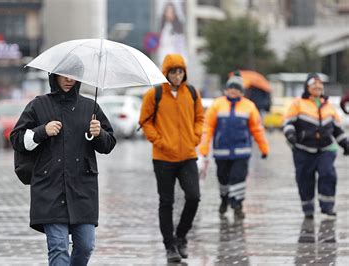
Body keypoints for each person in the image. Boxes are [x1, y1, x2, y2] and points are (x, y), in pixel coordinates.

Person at [10, 73, 116, 265]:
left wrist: (99, 133)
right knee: (59, 247)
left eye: (73, 76)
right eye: (64, 75)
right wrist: (42, 131)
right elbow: (16, 139)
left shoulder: (90, 107)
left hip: (83, 189)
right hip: (49, 188)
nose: (69, 80)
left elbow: (108, 145)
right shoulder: (38, 105)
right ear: (54, 77)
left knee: (85, 246)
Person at [139, 53, 204, 263]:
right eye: (173, 71)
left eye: (180, 71)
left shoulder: (192, 93)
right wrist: (160, 141)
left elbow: (200, 118)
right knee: (166, 202)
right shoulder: (154, 94)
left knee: (193, 197)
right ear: (165, 73)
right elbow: (145, 122)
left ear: (184, 73)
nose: (177, 75)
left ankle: (182, 236)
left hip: (187, 155)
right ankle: (170, 246)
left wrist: (195, 136)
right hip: (163, 158)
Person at [198, 71, 269, 219]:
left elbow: (257, 129)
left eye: (237, 88)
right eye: (231, 88)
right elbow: (208, 127)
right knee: (223, 178)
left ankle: (237, 205)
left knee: (239, 177)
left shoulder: (249, 106)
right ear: (226, 89)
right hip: (221, 152)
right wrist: (204, 147)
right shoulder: (217, 105)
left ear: (241, 91)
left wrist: (264, 148)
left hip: (242, 151)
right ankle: (224, 200)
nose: (233, 91)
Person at [283, 73, 349, 220]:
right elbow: (288, 123)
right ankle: (308, 208)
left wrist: (345, 143)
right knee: (305, 178)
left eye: (320, 85)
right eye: (314, 85)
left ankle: (327, 207)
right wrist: (291, 135)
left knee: (328, 174)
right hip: (303, 149)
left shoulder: (328, 105)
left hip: (325, 148)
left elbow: (337, 128)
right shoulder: (298, 103)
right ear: (307, 87)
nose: (318, 88)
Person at [157, 1, 189, 65]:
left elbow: (181, 47)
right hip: (163, 59)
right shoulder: (162, 28)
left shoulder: (178, 30)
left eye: (171, 12)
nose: (169, 14)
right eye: (167, 11)